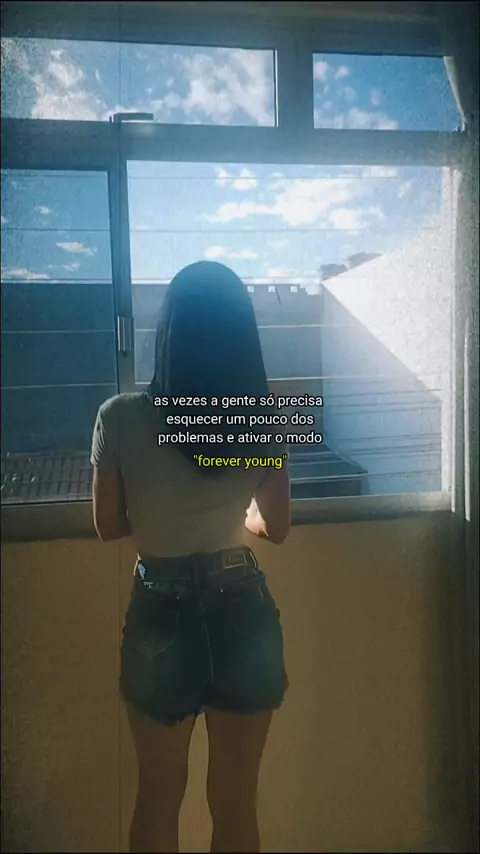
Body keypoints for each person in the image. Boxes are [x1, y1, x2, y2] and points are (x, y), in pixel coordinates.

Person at [91, 261, 290, 853]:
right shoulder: (264, 419)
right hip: (243, 607)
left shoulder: (119, 416)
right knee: (236, 802)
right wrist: (239, 517)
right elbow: (276, 527)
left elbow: (108, 525)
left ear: (167, 332)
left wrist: (161, 516)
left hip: (161, 609)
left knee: (158, 796)